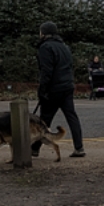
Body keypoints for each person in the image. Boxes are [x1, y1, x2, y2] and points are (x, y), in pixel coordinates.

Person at [33, 22, 85, 158]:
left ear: (43, 33)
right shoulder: (64, 46)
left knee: (44, 119)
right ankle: (79, 147)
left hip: (53, 88)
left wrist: (42, 90)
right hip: (67, 86)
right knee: (72, 117)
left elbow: (46, 71)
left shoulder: (45, 47)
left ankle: (35, 148)